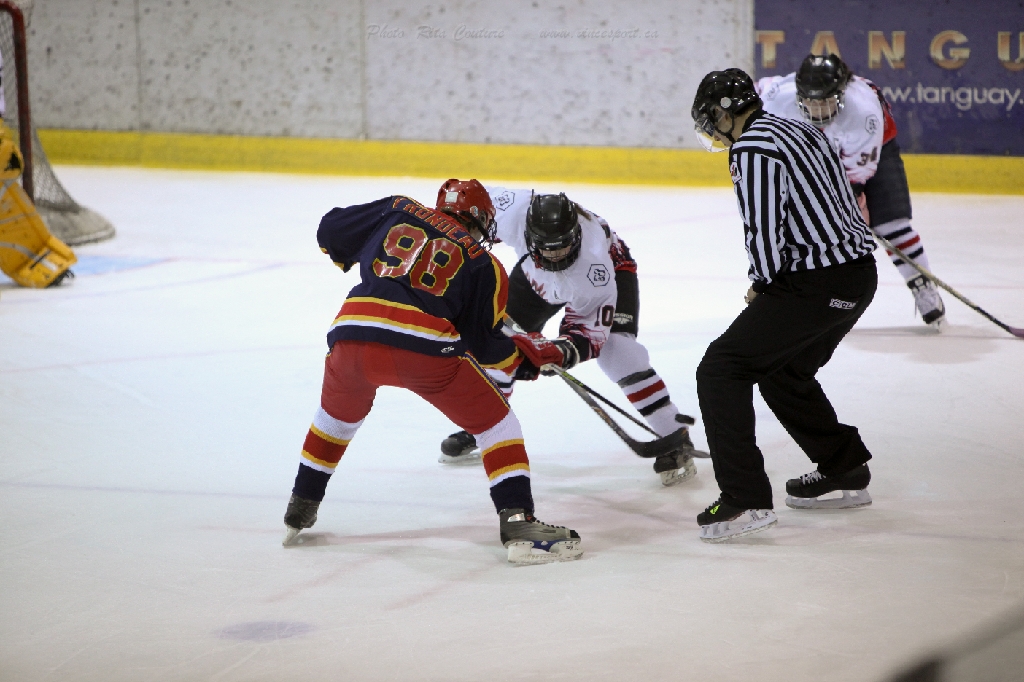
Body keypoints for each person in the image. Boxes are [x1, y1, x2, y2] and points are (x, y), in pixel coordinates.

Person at [281, 180, 584, 564]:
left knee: (335, 419)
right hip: (422, 346)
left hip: (352, 332)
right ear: (480, 218)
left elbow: (331, 230)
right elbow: (484, 348)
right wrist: (526, 356)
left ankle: (301, 506)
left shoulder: (397, 209)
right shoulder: (484, 263)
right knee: (497, 425)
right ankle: (518, 523)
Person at [690, 68, 878, 542]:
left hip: (815, 283)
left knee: (721, 369)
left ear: (727, 113)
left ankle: (745, 500)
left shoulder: (751, 148)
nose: (713, 129)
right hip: (857, 277)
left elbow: (763, 226)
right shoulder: (799, 127)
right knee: (782, 371)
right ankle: (844, 467)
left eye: (712, 117)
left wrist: (762, 282)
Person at [436, 184, 706, 486]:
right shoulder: (511, 210)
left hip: (611, 273)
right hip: (535, 277)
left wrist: (560, 352)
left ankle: (673, 433)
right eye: (546, 248)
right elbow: (463, 205)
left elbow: (589, 335)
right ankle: (485, 424)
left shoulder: (595, 267)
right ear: (529, 236)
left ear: (575, 236)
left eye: (561, 247)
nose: (554, 256)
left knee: (618, 353)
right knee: (497, 342)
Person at [756, 53, 945, 328]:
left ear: (841, 94)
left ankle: (921, 283)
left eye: (825, 101)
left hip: (876, 148)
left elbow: (856, 181)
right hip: (816, 151)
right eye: (811, 101)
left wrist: (849, 210)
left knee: (891, 224)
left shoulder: (864, 112)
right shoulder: (776, 97)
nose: (818, 110)